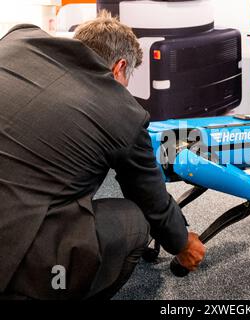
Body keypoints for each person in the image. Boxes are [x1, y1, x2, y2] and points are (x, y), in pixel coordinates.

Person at [0, 12, 205, 300]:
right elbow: (152, 201)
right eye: (128, 78)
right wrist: (182, 243)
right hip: (11, 254)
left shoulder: (19, 39)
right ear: (120, 67)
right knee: (134, 220)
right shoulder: (123, 111)